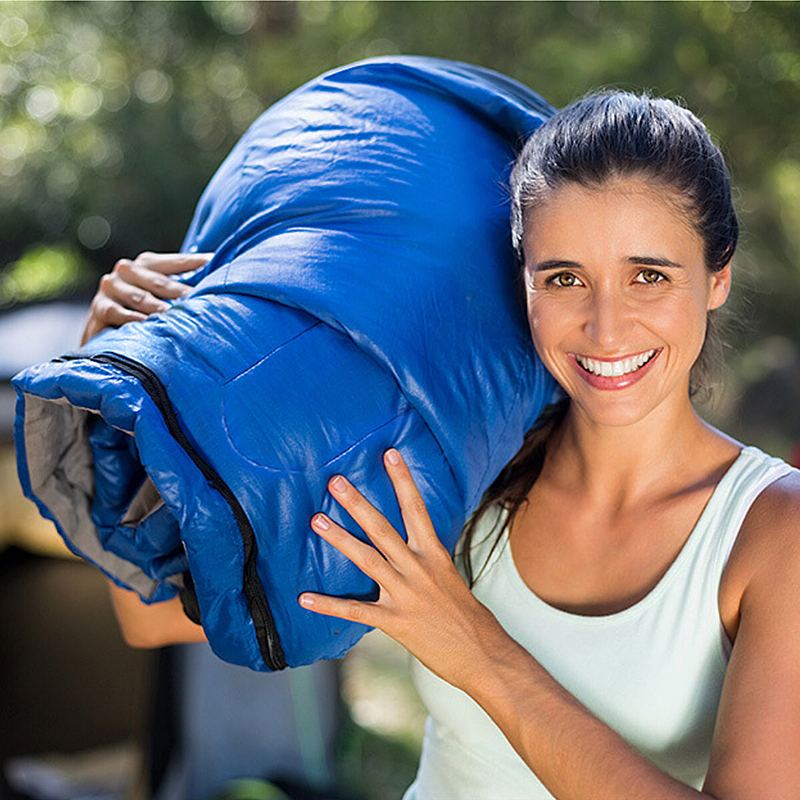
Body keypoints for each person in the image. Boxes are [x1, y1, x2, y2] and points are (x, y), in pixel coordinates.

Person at [105, 89, 800, 799]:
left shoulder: (774, 532)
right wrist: (115, 385)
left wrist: (478, 649)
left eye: (647, 275)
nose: (606, 327)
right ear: (522, 282)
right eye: (563, 278)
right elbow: (149, 615)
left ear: (718, 276)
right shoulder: (466, 469)